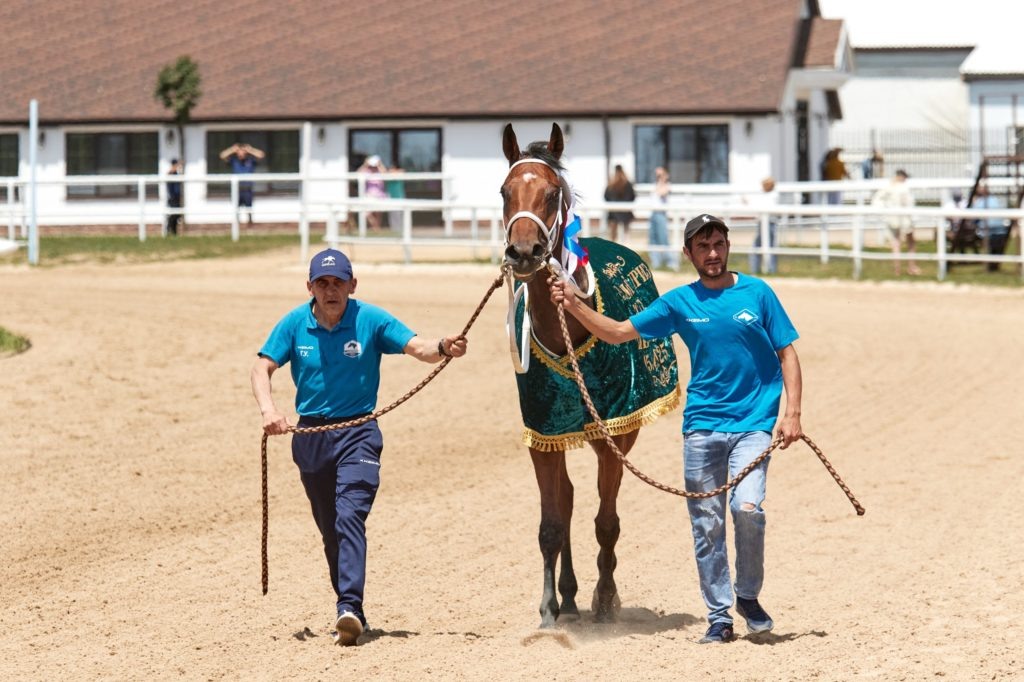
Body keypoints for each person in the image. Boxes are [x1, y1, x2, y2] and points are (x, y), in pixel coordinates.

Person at [548, 213, 803, 645]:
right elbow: (618, 332)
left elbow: (788, 353)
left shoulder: (758, 293)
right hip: (702, 426)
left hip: (754, 425)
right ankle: (719, 616)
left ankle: (747, 595)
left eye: (719, 244)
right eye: (703, 247)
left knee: (747, 510)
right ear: (689, 254)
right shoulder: (680, 302)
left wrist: (792, 412)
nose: (713, 254)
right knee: (706, 523)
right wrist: (574, 303)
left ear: (728, 246)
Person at [250, 248, 468, 646]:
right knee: (330, 529)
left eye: (338, 283)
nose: (330, 290)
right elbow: (261, 366)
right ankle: (352, 609)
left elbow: (416, 346)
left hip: (359, 434)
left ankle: (348, 606)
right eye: (322, 283)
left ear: (353, 285)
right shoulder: (294, 324)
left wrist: (442, 346)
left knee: (350, 514)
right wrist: (269, 409)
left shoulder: (370, 319)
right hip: (311, 437)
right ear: (310, 287)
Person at [871, 169, 919, 275]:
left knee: (896, 242)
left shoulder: (888, 186)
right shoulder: (902, 187)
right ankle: (911, 267)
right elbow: (910, 203)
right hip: (904, 218)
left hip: (893, 218)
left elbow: (877, 200)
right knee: (909, 242)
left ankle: (898, 269)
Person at [219, 142, 265, 224]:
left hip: (247, 189)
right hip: (237, 189)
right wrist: (232, 149)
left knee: (249, 208)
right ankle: (236, 226)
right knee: (236, 208)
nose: (241, 153)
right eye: (239, 151)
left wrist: (250, 150)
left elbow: (261, 155)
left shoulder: (250, 160)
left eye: (243, 151)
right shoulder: (234, 161)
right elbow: (222, 156)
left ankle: (250, 224)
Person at [745, 177, 779, 275]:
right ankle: (770, 269)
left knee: (758, 246)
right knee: (769, 246)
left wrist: (748, 202)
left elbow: (759, 206)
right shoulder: (773, 195)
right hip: (768, 222)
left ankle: (756, 269)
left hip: (767, 223)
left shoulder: (770, 196)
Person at [973, 185, 1010, 272]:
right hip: (1001, 231)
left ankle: (989, 266)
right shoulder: (995, 200)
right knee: (995, 247)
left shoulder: (980, 202)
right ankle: (993, 265)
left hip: (987, 232)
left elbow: (973, 219)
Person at [647, 167, 677, 269]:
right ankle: (656, 263)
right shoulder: (654, 185)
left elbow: (661, 192)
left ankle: (671, 262)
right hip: (653, 214)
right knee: (653, 239)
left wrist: (662, 180)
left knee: (663, 239)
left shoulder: (667, 185)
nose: (657, 177)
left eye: (659, 175)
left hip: (661, 215)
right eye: (657, 175)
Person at [604, 164, 636, 242]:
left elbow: (606, 196)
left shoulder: (611, 184)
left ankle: (613, 252)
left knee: (613, 237)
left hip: (614, 213)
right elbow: (632, 197)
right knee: (626, 236)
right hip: (625, 213)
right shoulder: (627, 184)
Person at [357, 155, 388, 231]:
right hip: (369, 195)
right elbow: (358, 173)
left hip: (379, 195)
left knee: (378, 212)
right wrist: (365, 165)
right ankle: (375, 226)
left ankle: (377, 227)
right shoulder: (367, 171)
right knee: (367, 212)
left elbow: (386, 174)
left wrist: (380, 164)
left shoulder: (379, 171)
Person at [165, 158, 183, 237]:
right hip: (172, 198)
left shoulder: (176, 173)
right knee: (173, 215)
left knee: (177, 215)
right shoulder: (171, 173)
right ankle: (168, 230)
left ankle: (174, 232)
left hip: (177, 197)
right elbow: (168, 173)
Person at [385, 166, 405, 231]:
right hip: (390, 197)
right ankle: (394, 229)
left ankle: (401, 229)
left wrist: (394, 172)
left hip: (399, 197)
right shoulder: (388, 176)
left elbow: (403, 171)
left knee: (400, 214)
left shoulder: (399, 175)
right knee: (392, 215)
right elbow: (384, 172)